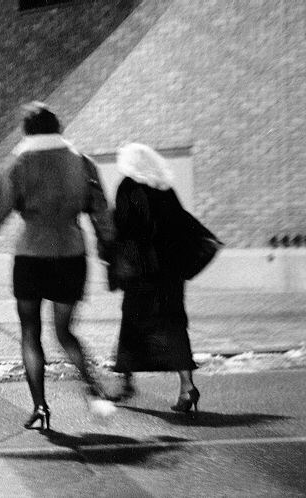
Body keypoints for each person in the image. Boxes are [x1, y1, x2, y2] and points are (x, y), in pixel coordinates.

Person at [0, 101, 116, 430]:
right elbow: (101, 212)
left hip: (31, 256)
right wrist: (110, 249)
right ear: (58, 128)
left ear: (27, 131)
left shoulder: (18, 166)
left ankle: (40, 407)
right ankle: (92, 386)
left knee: (30, 333)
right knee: (64, 331)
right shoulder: (83, 164)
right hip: (72, 255)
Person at [110, 143, 200, 415]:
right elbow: (181, 227)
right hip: (169, 273)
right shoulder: (166, 189)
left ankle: (126, 384)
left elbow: (124, 229)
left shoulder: (128, 187)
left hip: (142, 272)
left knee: (132, 325)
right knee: (173, 325)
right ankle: (187, 386)